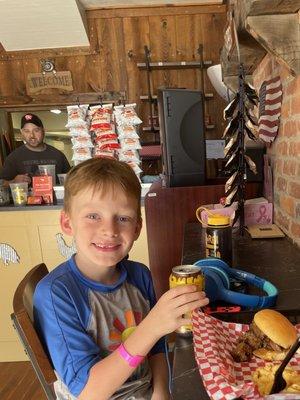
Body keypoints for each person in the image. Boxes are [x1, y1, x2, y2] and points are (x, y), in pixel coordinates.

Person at [33, 157, 209, 400]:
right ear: (67, 222)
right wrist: (152, 327)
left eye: (123, 218)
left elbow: (157, 348)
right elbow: (88, 393)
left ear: (137, 227)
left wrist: (161, 393)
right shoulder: (56, 293)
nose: (110, 230)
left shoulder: (139, 275)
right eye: (93, 216)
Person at [0, 113, 70, 186]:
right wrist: (14, 181)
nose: (32, 135)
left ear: (43, 130)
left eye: (36, 130)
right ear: (22, 132)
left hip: (55, 197)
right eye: (27, 131)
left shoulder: (57, 155)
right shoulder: (14, 157)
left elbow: (72, 179)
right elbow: (2, 183)